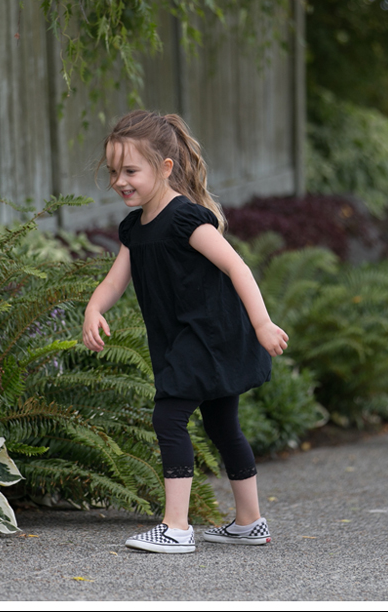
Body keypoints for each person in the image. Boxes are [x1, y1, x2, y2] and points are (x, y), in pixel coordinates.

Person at [82, 110, 289, 554]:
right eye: (114, 171)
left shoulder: (186, 220)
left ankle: (176, 527)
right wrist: (94, 307)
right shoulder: (134, 228)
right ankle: (250, 522)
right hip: (186, 338)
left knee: (169, 417)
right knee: (221, 424)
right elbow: (117, 279)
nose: (120, 180)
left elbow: (237, 266)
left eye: (131, 170)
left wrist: (262, 323)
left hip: (211, 335)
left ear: (166, 168)